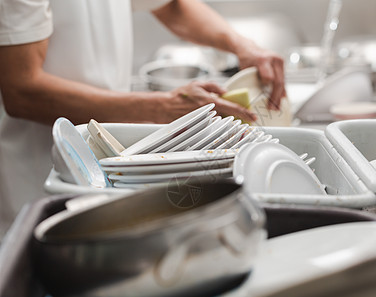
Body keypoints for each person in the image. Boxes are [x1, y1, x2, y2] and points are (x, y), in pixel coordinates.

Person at [0, 0, 286, 239]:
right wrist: (164, 107)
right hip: (38, 180)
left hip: (108, 162)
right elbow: (22, 90)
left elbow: (171, 5)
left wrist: (242, 46)